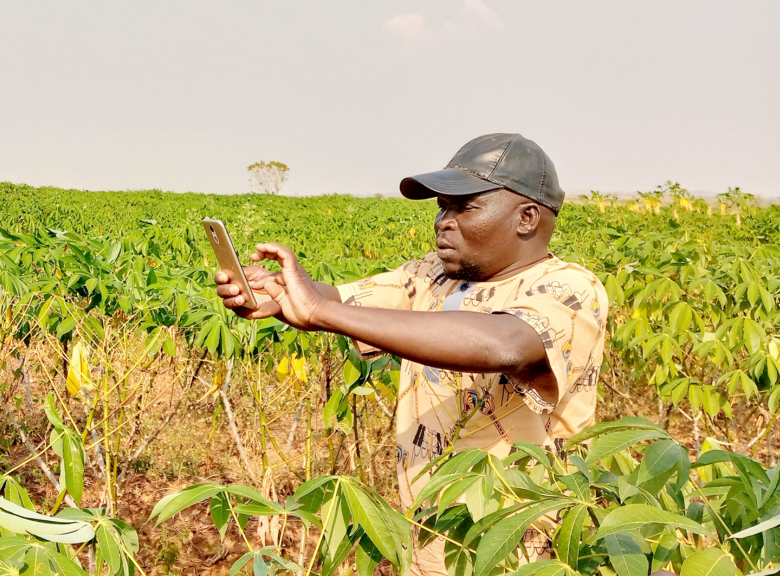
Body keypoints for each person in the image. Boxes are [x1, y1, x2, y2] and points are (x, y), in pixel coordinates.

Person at [214, 133, 608, 575]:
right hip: (428, 523)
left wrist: (320, 311)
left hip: (520, 538)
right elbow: (343, 301)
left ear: (527, 218)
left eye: (466, 207)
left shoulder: (568, 287)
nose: (444, 221)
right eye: (443, 206)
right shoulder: (431, 274)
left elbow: (506, 343)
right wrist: (282, 293)